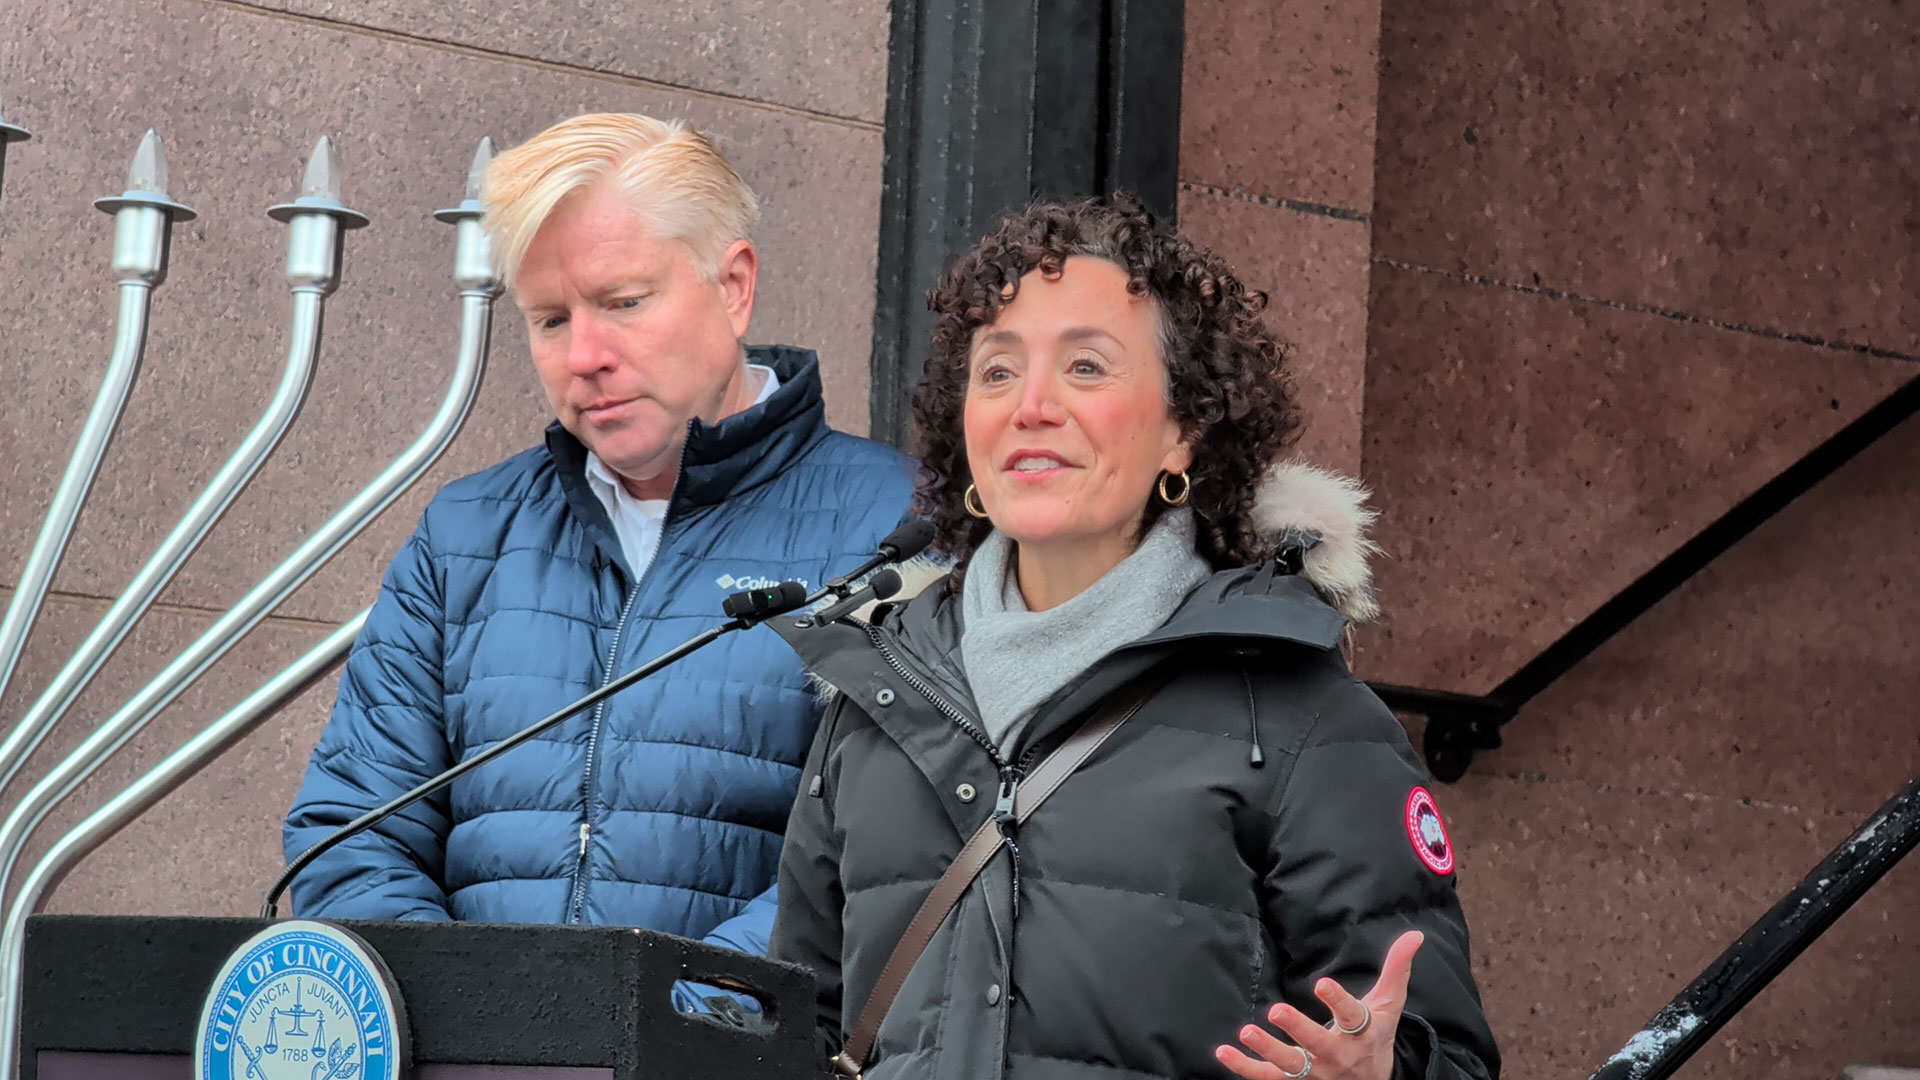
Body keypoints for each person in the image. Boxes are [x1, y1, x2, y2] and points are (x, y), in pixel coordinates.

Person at [768, 196, 1500, 1079]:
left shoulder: (1307, 720)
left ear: (1183, 429)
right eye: (996, 373)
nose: (1031, 406)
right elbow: (793, 1033)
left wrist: (1384, 1075)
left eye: (1085, 367)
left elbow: (1444, 1057)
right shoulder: (872, 697)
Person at [282, 113, 916, 1013]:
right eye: (550, 319)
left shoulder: (897, 529)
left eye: (623, 301)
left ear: (733, 286)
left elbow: (888, 855)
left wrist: (651, 1037)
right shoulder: (465, 534)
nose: (585, 357)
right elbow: (352, 833)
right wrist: (480, 1040)